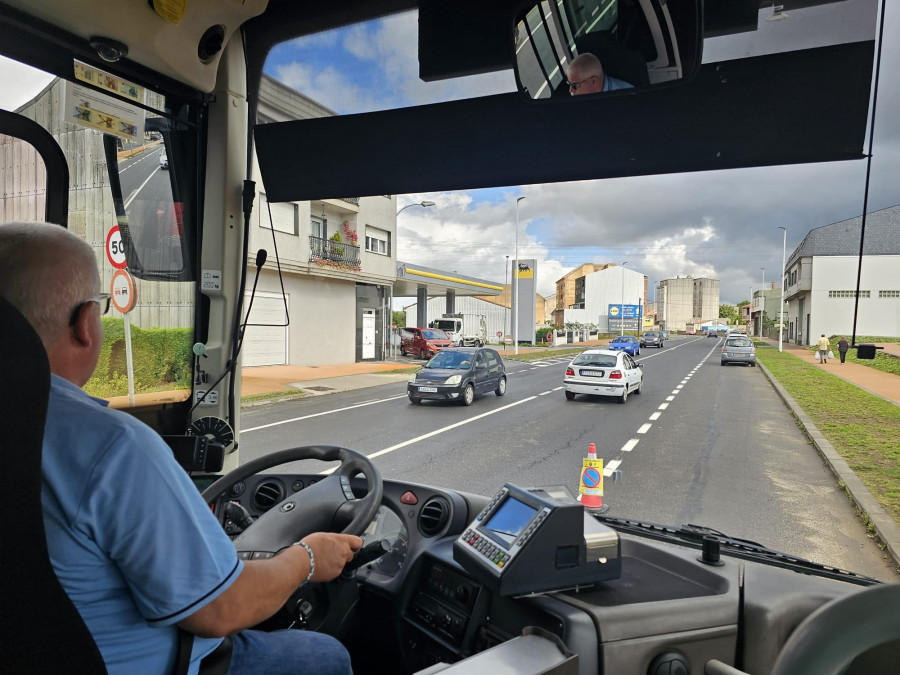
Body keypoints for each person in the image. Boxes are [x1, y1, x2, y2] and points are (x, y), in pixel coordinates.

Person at [0, 222, 361, 675]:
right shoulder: (109, 446)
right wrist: (307, 558)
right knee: (327, 657)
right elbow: (221, 612)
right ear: (86, 324)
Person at [566, 52, 633, 96]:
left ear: (594, 82)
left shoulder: (626, 98)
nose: (570, 90)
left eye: (575, 85)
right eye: (569, 84)